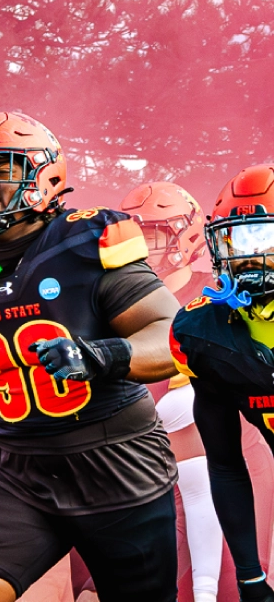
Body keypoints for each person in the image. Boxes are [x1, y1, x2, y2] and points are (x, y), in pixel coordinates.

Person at [0, 111, 182, 602]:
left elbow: (172, 332)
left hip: (117, 462)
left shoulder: (88, 240)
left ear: (44, 176)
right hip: (18, 466)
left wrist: (100, 355)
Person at [117, 181, 227, 602]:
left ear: (189, 236)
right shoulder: (116, 294)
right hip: (137, 465)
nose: (146, 246)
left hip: (214, 454)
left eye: (156, 234)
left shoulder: (214, 292)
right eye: (138, 234)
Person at [170, 164, 274, 602]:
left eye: (259, 239)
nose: (245, 256)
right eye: (234, 239)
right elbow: (226, 462)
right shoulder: (201, 331)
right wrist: (251, 578)